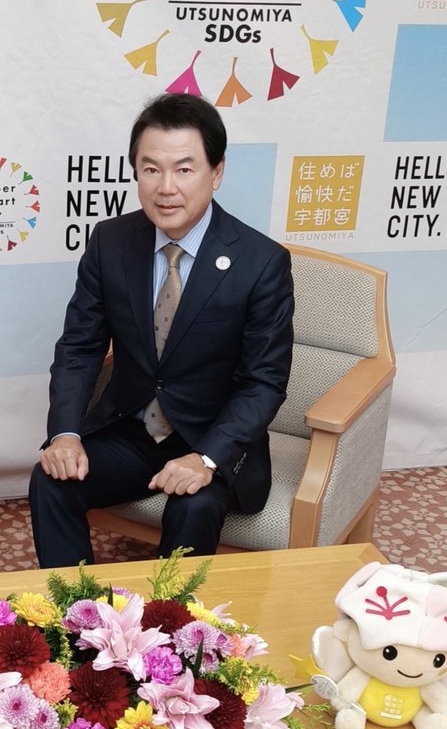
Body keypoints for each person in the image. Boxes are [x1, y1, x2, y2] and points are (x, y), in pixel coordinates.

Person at [29, 92, 294, 565]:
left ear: (216, 172)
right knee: (51, 480)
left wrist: (206, 459)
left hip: (213, 439)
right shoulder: (111, 242)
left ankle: (171, 615)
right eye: (151, 169)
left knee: (194, 506)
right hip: (132, 430)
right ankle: (73, 607)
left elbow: (264, 383)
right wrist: (65, 433)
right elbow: (79, 347)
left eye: (184, 169)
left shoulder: (261, 262)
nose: (166, 187)